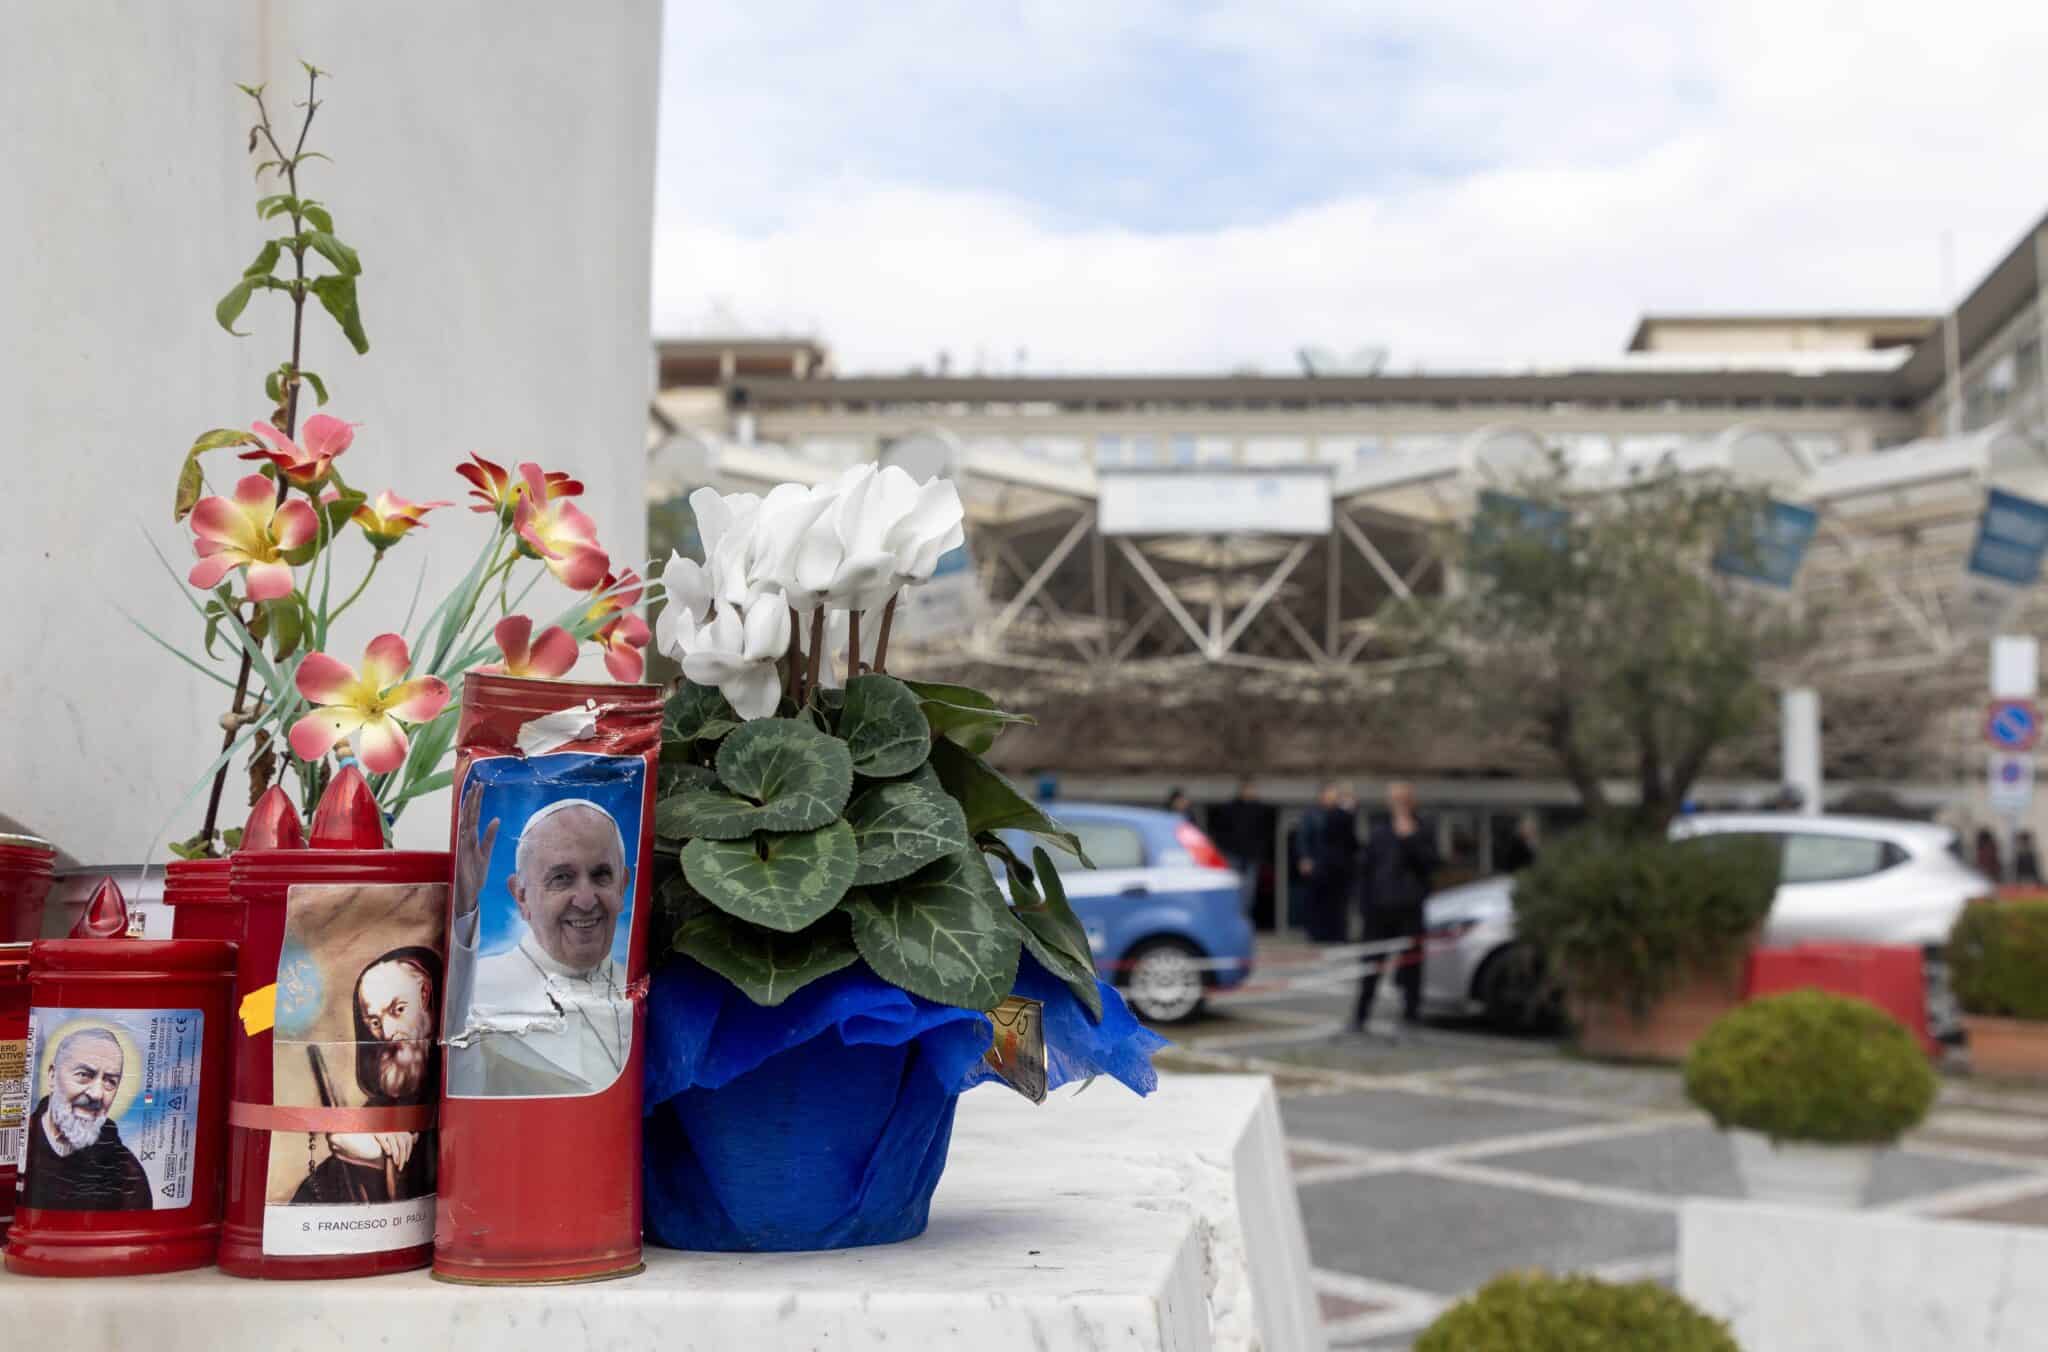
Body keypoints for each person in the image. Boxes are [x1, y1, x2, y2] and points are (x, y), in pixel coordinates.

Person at [446, 788, 633, 1097]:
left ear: (622, 886)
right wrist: (463, 910)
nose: (586, 901)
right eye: (562, 878)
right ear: (521, 896)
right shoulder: (478, 987)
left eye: (601, 876)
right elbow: (460, 1088)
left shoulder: (642, 985)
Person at [292, 947, 440, 1205]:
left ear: (425, 994)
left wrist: (378, 1157)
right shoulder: (380, 1104)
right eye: (374, 1023)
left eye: (398, 1009)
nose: (387, 1033)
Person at [23, 1026, 153, 1211]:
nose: (97, 1094)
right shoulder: (23, 1147)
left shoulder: (126, 1172)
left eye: (110, 1081)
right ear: (52, 1076)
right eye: (84, 1075)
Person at [1353, 783, 1440, 1035]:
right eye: (1395, 800)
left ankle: (1411, 1013)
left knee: (1412, 964)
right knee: (1371, 964)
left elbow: (1430, 865)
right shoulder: (1379, 831)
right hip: (1379, 908)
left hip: (1409, 907)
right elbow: (1366, 869)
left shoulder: (1424, 830)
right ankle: (1360, 1015)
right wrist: (1363, 905)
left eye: (1404, 799)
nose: (1399, 804)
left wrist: (1410, 839)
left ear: (1412, 802)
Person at [1296, 783, 1357, 943]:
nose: (1333, 798)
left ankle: (1336, 934)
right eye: (1330, 795)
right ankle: (1316, 934)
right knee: (1317, 901)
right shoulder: (1311, 814)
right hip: (1318, 864)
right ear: (1322, 796)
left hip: (1337, 867)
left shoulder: (1341, 815)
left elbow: (1349, 839)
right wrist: (1305, 858)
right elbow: (1304, 837)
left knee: (1337, 902)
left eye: (1335, 795)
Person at [1207, 778, 1275, 920]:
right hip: (1233, 855)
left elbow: (1265, 832)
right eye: (1247, 789)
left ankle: (1243, 919)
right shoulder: (1230, 808)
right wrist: (1226, 850)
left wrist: (1258, 850)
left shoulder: (1260, 810)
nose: (1250, 792)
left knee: (1248, 892)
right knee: (1231, 890)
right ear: (1241, 790)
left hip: (1251, 857)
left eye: (1252, 789)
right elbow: (1219, 831)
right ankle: (1231, 918)